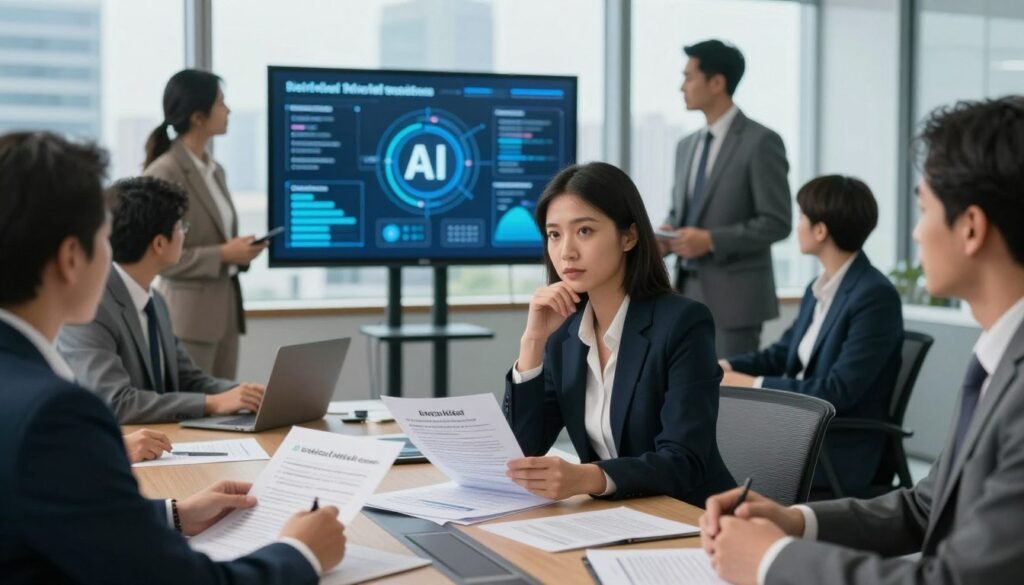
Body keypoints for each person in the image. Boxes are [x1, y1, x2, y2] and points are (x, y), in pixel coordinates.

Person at [700, 97, 1024, 585]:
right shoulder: (997, 360)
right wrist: (796, 522)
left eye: (923, 209)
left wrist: (770, 561)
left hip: (845, 442)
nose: (915, 234)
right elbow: (923, 507)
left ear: (971, 228)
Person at [0, 131, 345, 582]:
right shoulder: (55, 415)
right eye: (105, 239)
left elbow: (47, 518)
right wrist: (301, 552)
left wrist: (171, 515)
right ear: (71, 258)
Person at [502, 161, 736, 505]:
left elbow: (683, 462)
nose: (566, 251)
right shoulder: (565, 335)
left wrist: (589, 477)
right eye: (554, 234)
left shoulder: (683, 323)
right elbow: (523, 449)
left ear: (628, 236)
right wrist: (533, 342)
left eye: (584, 231)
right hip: (614, 519)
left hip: (693, 519)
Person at [719, 175, 903, 495]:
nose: (798, 225)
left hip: (837, 447)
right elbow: (780, 355)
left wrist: (750, 383)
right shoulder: (818, 289)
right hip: (798, 430)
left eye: (802, 216)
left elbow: (837, 390)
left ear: (821, 230)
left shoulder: (874, 295)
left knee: (719, 453)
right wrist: (726, 365)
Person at [58, 177, 266, 430]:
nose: (184, 235)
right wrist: (211, 403)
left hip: (159, 441)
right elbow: (115, 402)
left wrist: (243, 394)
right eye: (181, 227)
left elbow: (188, 378)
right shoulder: (91, 308)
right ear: (159, 243)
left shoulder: (155, 301)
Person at [659, 39, 791, 357]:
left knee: (728, 398)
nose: (682, 87)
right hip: (684, 290)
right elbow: (680, 213)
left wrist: (711, 240)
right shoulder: (686, 146)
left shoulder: (762, 142)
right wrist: (664, 235)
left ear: (717, 82)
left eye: (689, 77)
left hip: (736, 301)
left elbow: (777, 222)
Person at [143, 69, 265, 379]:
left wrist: (241, 252)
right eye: (221, 103)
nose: (228, 111)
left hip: (224, 314)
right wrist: (224, 254)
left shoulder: (215, 170)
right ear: (198, 116)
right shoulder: (164, 172)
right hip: (189, 319)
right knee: (193, 414)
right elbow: (158, 257)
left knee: (226, 412)